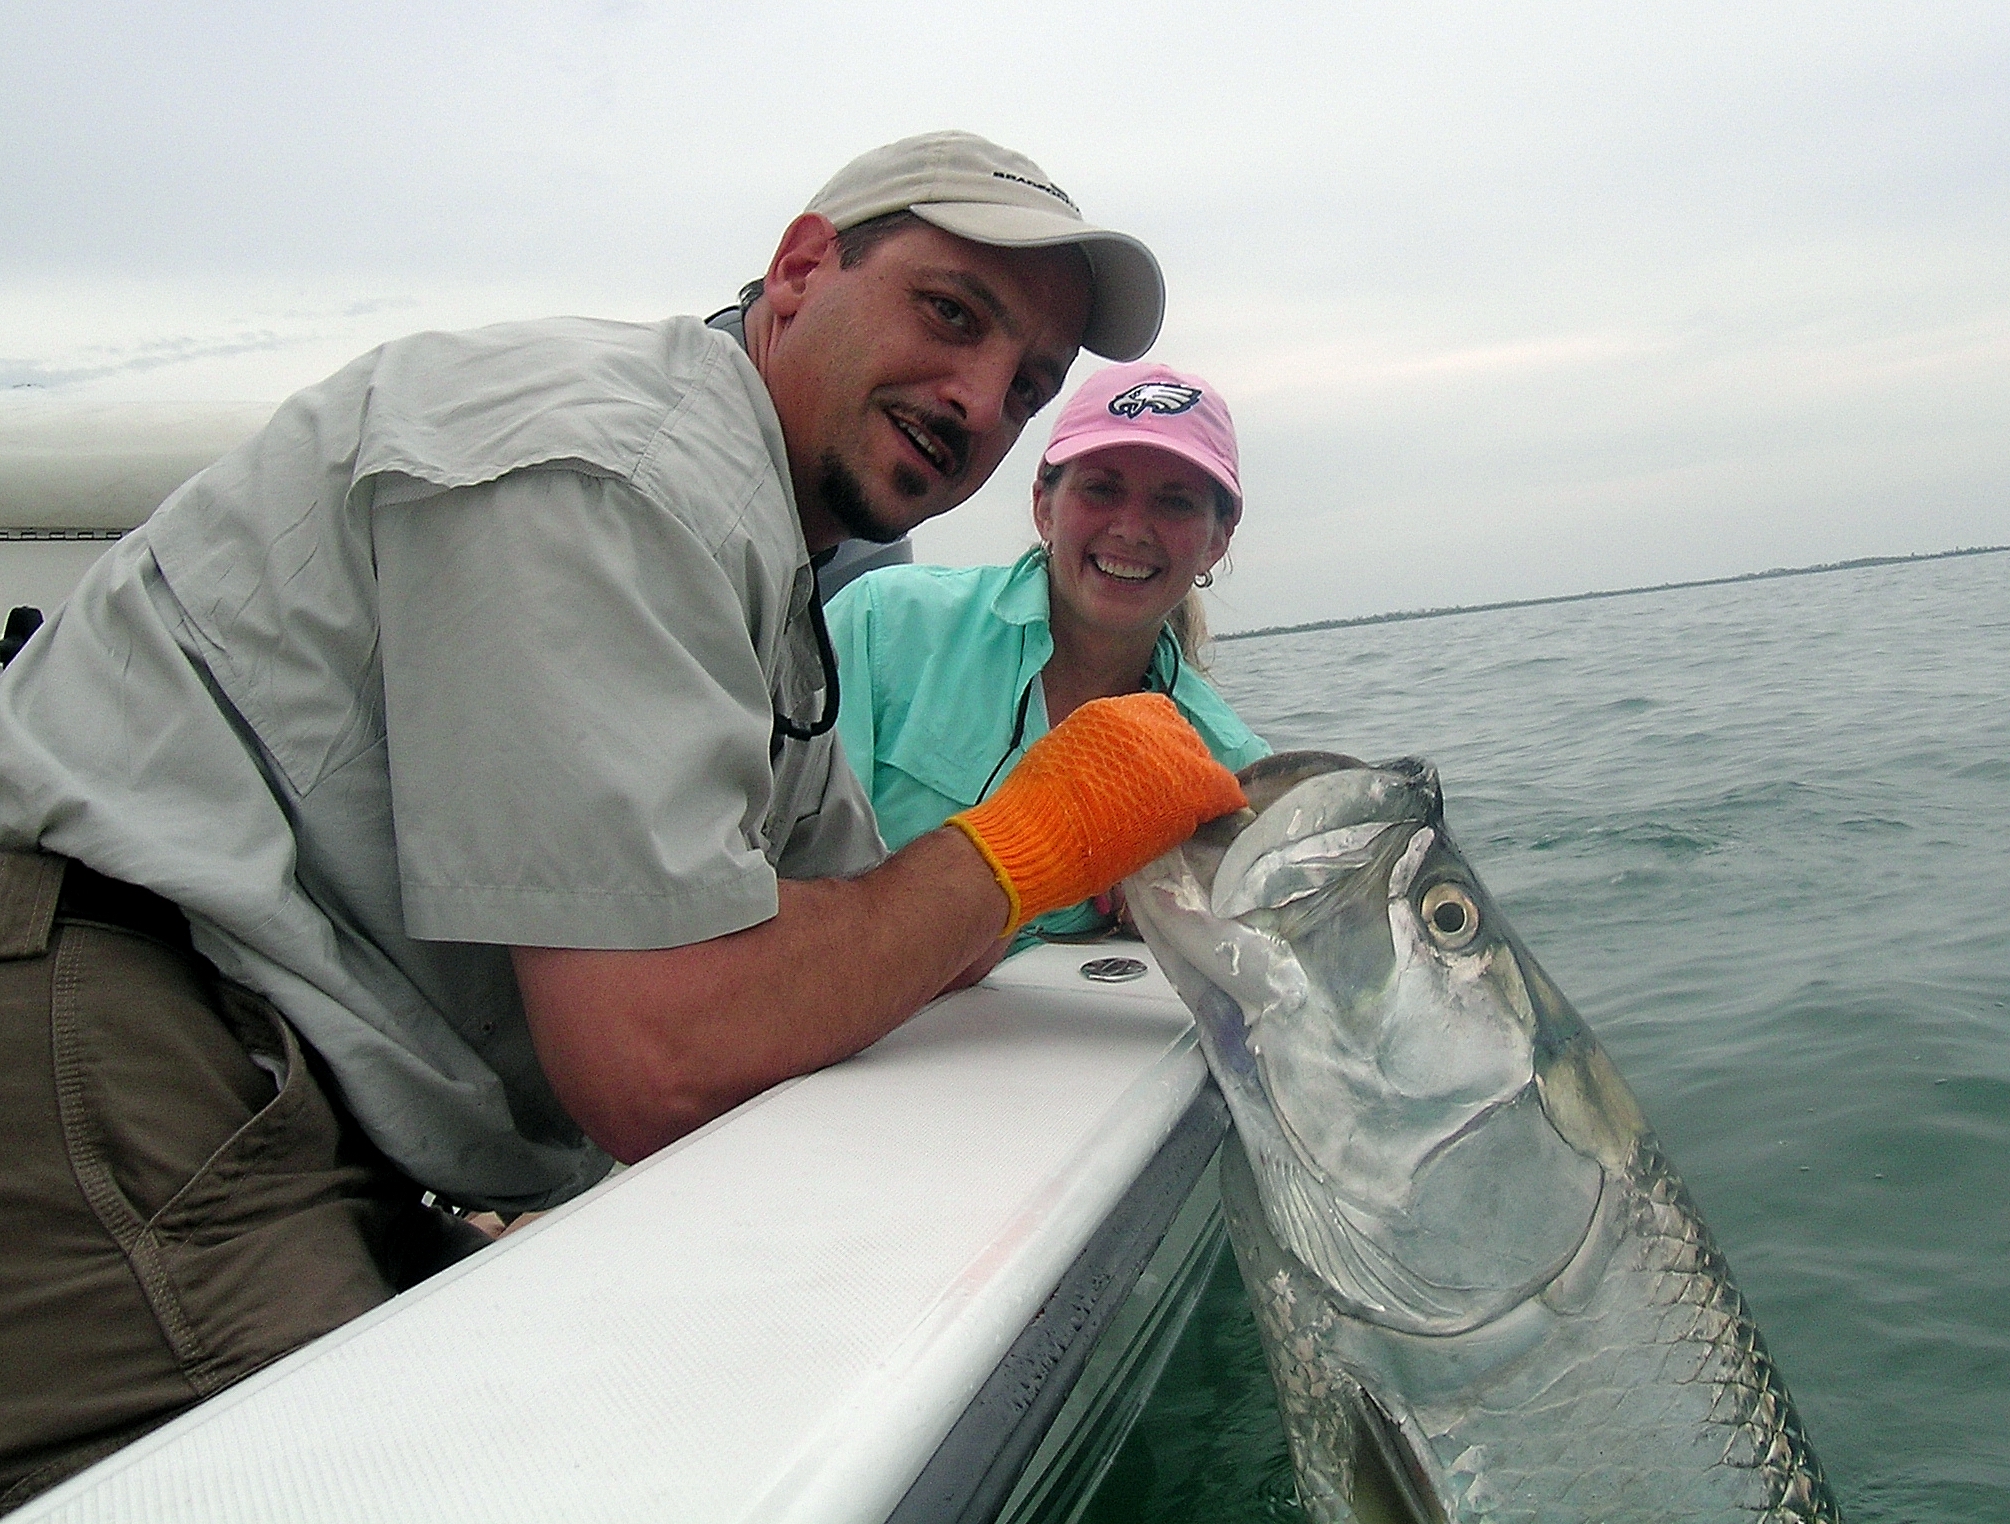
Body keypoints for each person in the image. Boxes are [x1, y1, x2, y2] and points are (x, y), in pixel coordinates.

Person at [0, 131, 1248, 1506]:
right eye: (951, 313)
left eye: (1024, 384)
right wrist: (1031, 838)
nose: (972, 396)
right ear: (798, 268)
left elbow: (862, 930)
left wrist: (1082, 873)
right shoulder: (623, 468)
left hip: (306, 1096)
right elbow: (654, 1056)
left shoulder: (760, 557)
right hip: (125, 1034)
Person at [826, 360, 1270, 951]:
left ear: (1216, 540)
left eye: (1176, 503)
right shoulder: (882, 624)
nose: (1132, 529)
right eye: (1102, 488)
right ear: (1044, 504)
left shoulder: (1233, 768)